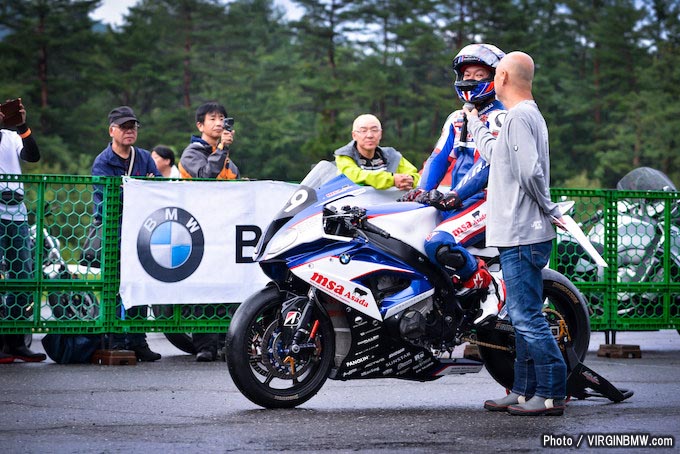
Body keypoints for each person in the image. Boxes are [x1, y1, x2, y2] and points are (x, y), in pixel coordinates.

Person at [464, 51, 568, 416]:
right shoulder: (520, 117)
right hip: (519, 234)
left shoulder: (520, 117)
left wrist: (549, 208)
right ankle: (523, 391)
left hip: (523, 234)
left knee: (526, 317)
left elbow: (530, 172)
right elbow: (498, 156)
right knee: (521, 314)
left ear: (504, 77)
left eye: (495, 74)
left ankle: (553, 392)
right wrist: (475, 123)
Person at [400, 43, 507, 325]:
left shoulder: (501, 116)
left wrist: (456, 194)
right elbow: (438, 159)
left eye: (479, 74)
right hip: (458, 202)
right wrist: (422, 191)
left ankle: (488, 287)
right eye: (466, 74)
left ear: (496, 76)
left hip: (487, 202)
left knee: (439, 244)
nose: (470, 79)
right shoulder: (456, 117)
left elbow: (489, 163)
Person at [91, 106, 162, 362]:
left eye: (133, 126)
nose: (130, 131)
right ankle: (116, 338)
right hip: (115, 233)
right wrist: (137, 192)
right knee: (116, 285)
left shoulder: (143, 157)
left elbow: (157, 191)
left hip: (142, 232)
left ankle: (137, 339)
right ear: (112, 131)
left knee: (140, 283)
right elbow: (104, 202)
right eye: (124, 127)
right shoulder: (103, 162)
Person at [179, 101, 239, 362]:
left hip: (225, 229)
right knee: (204, 287)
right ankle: (205, 345)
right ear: (200, 125)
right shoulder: (192, 153)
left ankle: (230, 341)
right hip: (199, 229)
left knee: (229, 286)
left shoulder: (228, 160)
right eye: (213, 118)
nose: (219, 123)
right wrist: (222, 149)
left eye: (222, 118)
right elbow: (205, 176)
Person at [0, 98, 46, 363]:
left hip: (15, 208)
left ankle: (15, 341)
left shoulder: (9, 136)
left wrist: (22, 126)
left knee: (23, 276)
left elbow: (33, 155)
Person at [334, 114, 420, 190]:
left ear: (381, 134)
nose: (370, 135)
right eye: (364, 131)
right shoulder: (344, 156)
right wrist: (392, 180)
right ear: (354, 135)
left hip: (388, 204)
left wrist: (410, 180)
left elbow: (415, 175)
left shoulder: (392, 156)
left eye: (374, 130)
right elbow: (358, 176)